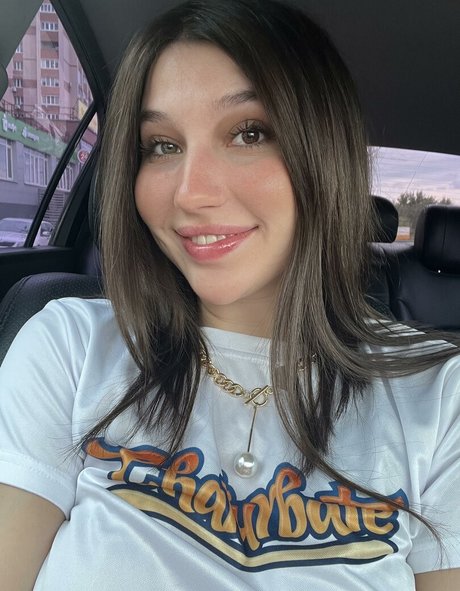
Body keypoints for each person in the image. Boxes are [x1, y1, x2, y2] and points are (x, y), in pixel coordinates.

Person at [0, 0, 459, 589]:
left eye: (249, 133)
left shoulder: (439, 396)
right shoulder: (68, 346)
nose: (190, 193)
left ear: (325, 155)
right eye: (161, 145)